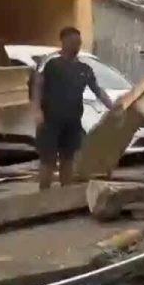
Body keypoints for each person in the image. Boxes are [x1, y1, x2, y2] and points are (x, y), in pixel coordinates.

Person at [32, 27, 117, 190]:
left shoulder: (84, 69)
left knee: (68, 159)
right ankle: (42, 197)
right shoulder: (52, 64)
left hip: (72, 122)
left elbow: (98, 90)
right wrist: (37, 111)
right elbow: (38, 85)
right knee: (48, 161)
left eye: (78, 42)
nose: (76, 45)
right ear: (63, 42)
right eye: (72, 42)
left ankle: (65, 196)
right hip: (50, 121)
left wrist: (113, 107)